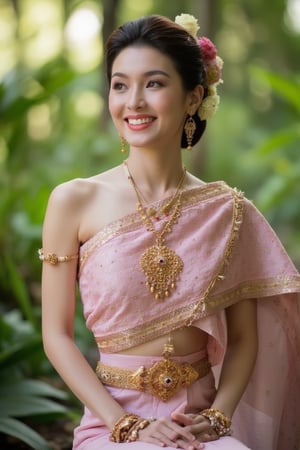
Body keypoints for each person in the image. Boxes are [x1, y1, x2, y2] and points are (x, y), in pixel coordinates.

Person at [40, 13, 300, 450]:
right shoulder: (73, 202)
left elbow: (242, 340)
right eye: (120, 85)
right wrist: (125, 423)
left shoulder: (227, 212)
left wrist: (218, 418)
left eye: (154, 84)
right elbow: (56, 336)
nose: (133, 101)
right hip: (112, 425)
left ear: (193, 97)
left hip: (199, 425)